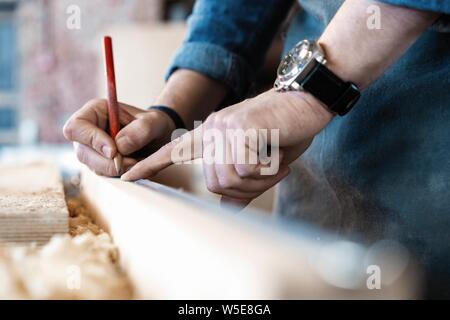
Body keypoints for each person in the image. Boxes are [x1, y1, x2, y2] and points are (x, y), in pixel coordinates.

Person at [63, 0, 450, 298]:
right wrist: (171, 114)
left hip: (429, 135)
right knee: (302, 280)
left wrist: (308, 94)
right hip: (322, 163)